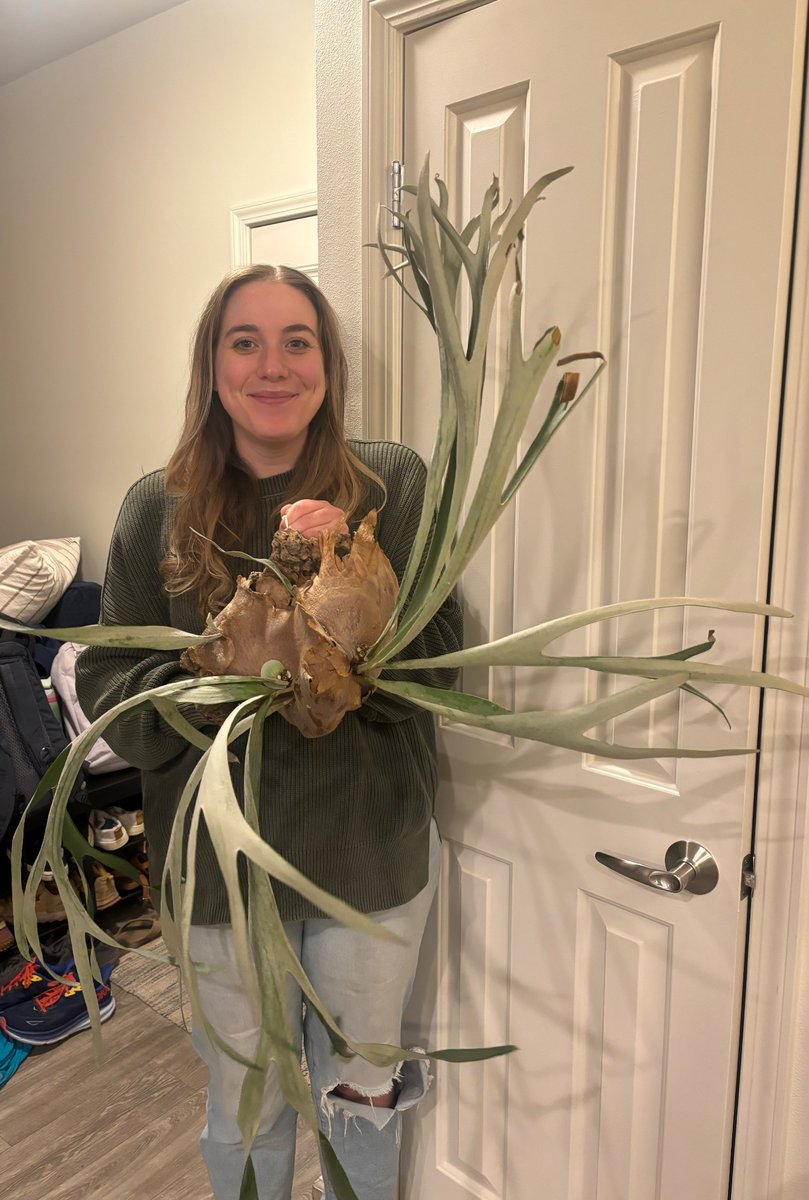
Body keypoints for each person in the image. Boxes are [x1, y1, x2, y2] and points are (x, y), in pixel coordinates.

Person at [75, 264, 463, 1200]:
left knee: (361, 1089)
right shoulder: (153, 508)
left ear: (328, 364)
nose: (272, 365)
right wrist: (215, 677)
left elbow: (440, 661)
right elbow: (107, 677)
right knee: (246, 1098)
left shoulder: (390, 485)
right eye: (244, 341)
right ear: (212, 366)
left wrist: (354, 588)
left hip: (365, 857)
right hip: (218, 872)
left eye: (299, 341)